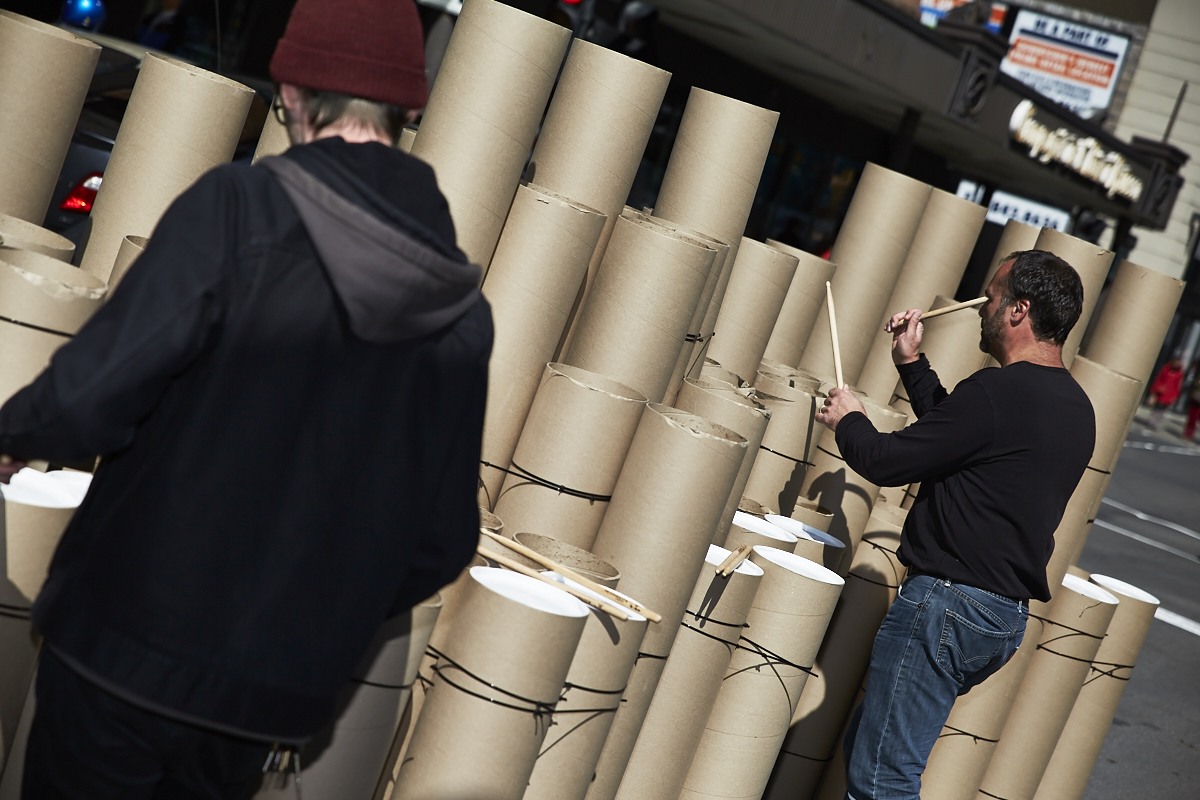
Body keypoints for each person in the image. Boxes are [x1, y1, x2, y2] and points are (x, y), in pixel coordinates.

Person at [0, 0, 492, 796]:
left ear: (292, 92)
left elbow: (94, 393)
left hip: (125, 654)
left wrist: (16, 432)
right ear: (406, 109)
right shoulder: (462, 313)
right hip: (267, 705)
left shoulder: (241, 210)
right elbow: (440, 540)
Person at [815, 250, 1095, 800]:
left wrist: (849, 419)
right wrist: (911, 365)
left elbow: (888, 462)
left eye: (990, 296)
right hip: (999, 618)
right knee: (872, 756)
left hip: (947, 606)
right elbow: (963, 439)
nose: (979, 308)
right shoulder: (1075, 407)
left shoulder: (997, 392)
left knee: (882, 780)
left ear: (1018, 310)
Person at [1147, 356, 1185, 430]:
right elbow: (1159, 379)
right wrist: (1153, 391)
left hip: (1169, 395)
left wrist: (1175, 397)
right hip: (1160, 392)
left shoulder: (1179, 374)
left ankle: (1156, 424)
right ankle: (1151, 422)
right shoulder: (1166, 369)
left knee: (1162, 411)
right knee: (1156, 408)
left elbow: (1178, 386)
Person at [1183, 366, 1200, 442]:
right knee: (1191, 417)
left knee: (1194, 419)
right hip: (1195, 399)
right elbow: (1195, 384)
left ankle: (1190, 434)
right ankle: (1186, 433)